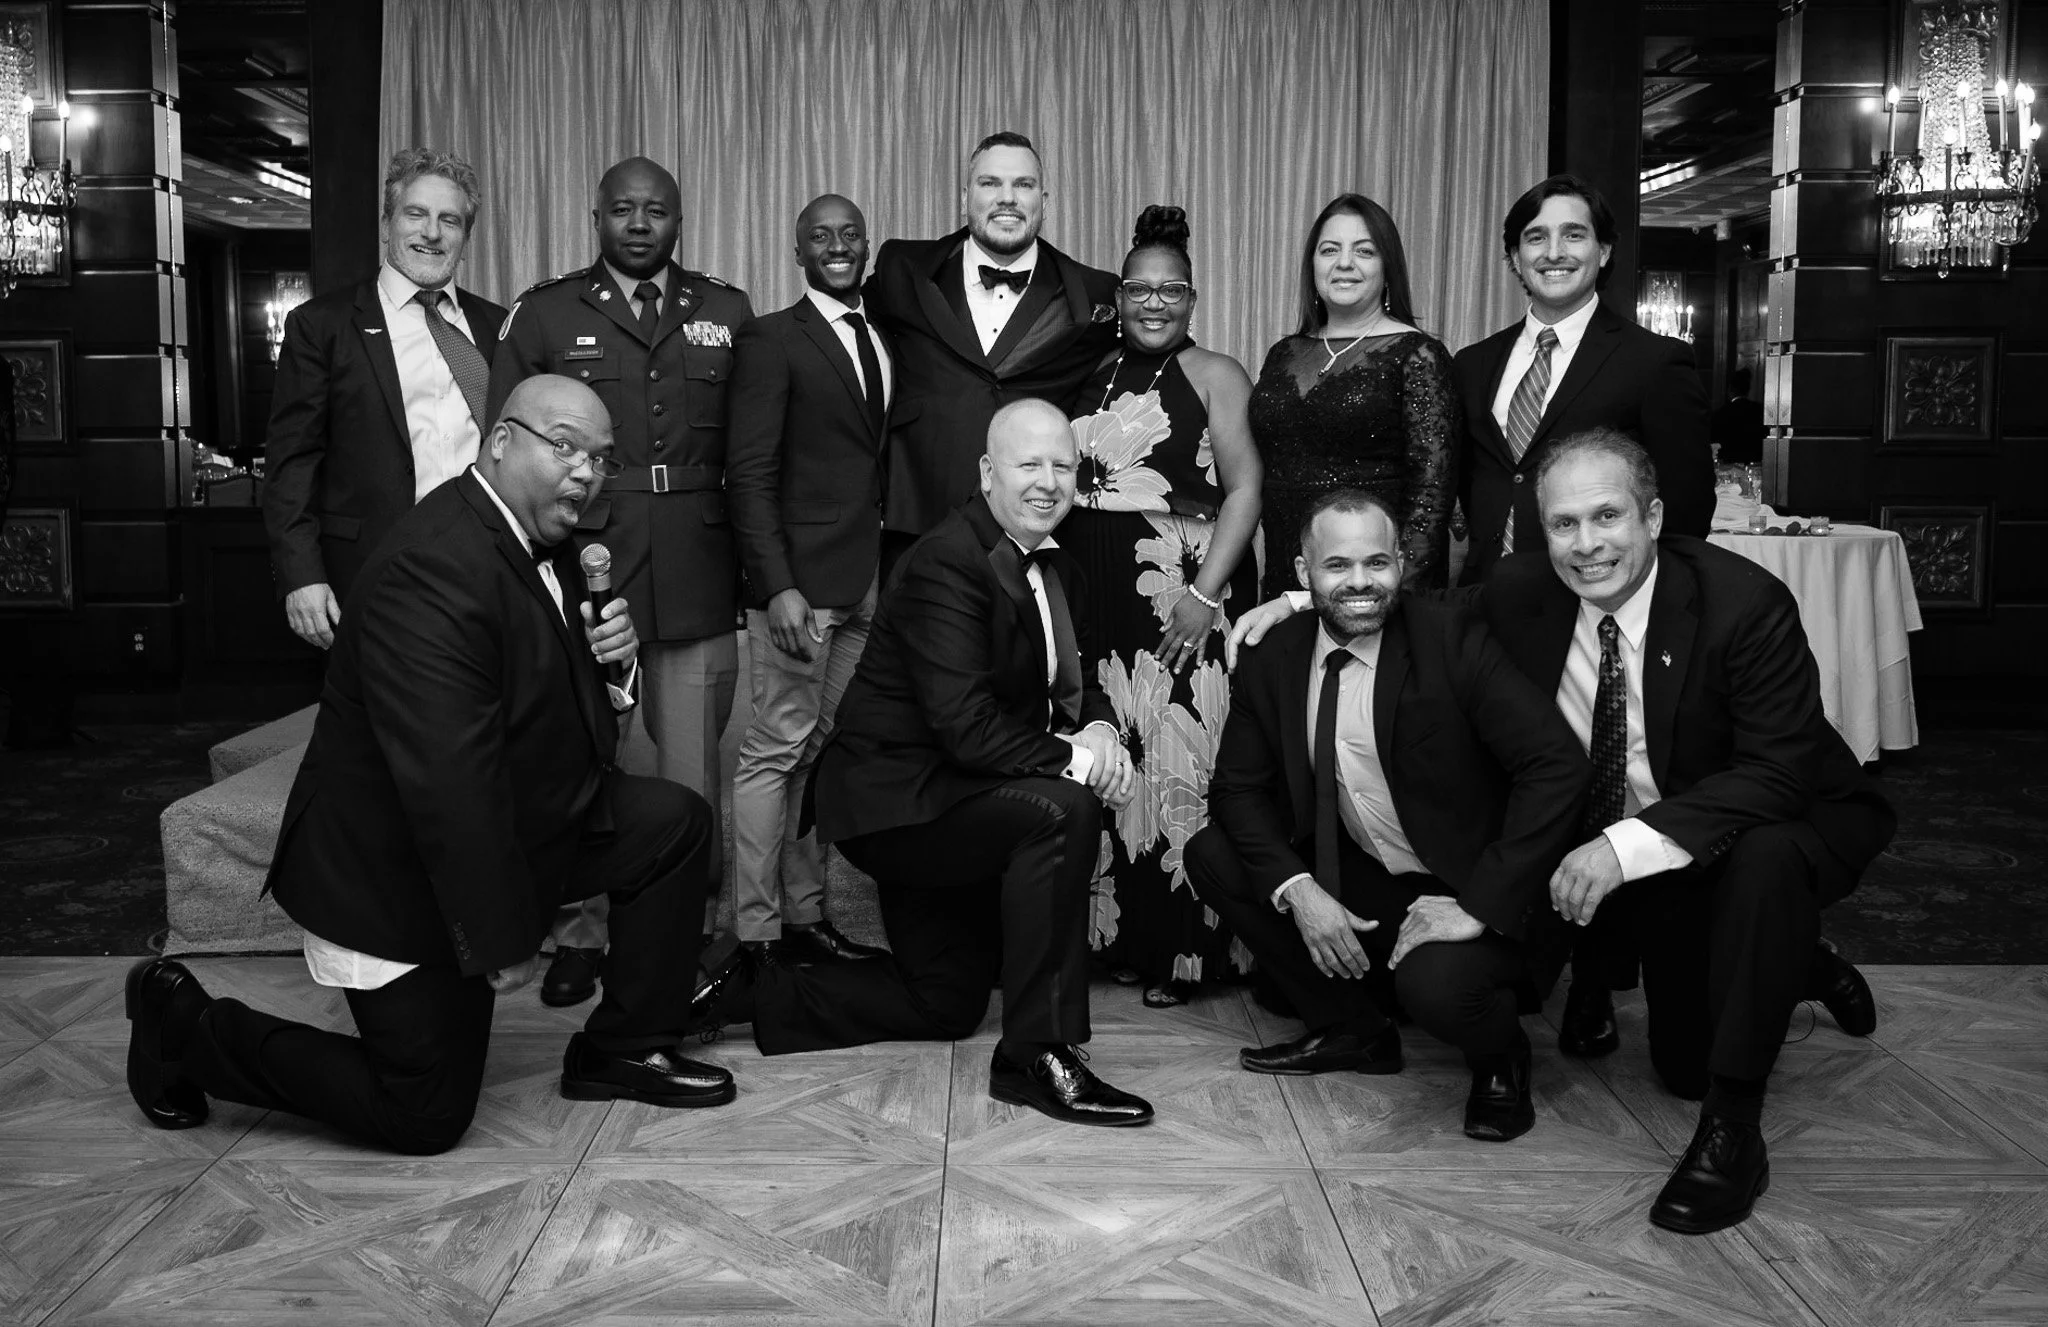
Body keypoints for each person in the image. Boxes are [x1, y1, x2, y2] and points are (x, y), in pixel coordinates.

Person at [124, 377, 735, 1154]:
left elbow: (567, 721)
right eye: (566, 446)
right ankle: (186, 1025)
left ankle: (621, 1047)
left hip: (517, 820)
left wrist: (612, 668)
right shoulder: (435, 566)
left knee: (672, 824)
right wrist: (502, 934)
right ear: (502, 440)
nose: (586, 471)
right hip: (399, 865)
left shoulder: (555, 545)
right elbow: (452, 781)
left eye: (601, 457)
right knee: (423, 1111)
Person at [690, 400, 1156, 1128]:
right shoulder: (947, 561)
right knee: (1065, 808)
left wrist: (1097, 723)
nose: (1047, 482)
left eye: (1062, 466)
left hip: (958, 793)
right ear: (986, 473)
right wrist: (1083, 762)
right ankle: (1038, 1054)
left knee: (944, 1001)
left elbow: (1073, 675)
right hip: (898, 806)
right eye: (1027, 464)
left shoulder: (1056, 564)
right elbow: (967, 730)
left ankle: (753, 986)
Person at [1489, 428, 1889, 1231]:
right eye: (1563, 523)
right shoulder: (1518, 592)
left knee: (1767, 865)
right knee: (1679, 1066)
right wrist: (1296, 601)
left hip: (1790, 818)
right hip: (1671, 850)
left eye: (1608, 516)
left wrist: (1617, 845)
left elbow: (1778, 774)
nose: (1586, 544)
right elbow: (1416, 618)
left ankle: (1734, 1131)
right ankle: (1793, 956)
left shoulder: (1743, 603)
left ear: (1654, 514)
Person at [1186, 490, 1588, 1141]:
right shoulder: (1276, 654)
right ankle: (1357, 1030)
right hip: (1376, 871)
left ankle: (1501, 1059)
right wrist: (1302, 891)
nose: (1360, 582)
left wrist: (1479, 904)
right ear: (1301, 572)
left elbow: (1557, 765)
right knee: (1215, 853)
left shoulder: (1449, 636)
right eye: (1337, 565)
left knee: (1436, 988)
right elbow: (1236, 791)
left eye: (1377, 562)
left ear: (1403, 563)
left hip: (1475, 882)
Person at [486, 157, 754, 1008]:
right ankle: (579, 931)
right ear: (595, 216)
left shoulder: (726, 310)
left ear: (681, 219)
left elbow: (751, 452)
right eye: (624, 210)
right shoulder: (547, 311)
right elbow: (505, 458)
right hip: (582, 566)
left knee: (687, 772)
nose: (641, 224)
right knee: (576, 753)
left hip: (697, 566)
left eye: (658, 211)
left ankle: (679, 923)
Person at [1060, 204, 1262, 1007]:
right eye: (1138, 289)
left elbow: (1247, 488)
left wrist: (1204, 596)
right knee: (1111, 760)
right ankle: (1117, 939)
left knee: (1179, 759)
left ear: (1192, 296)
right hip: (1095, 596)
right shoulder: (1089, 371)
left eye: (1170, 288)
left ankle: (1187, 952)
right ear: (1119, 296)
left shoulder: (1217, 373)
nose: (1154, 302)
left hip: (1179, 589)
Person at [725, 194, 893, 968]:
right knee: (774, 748)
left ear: (867, 245)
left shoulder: (880, 337)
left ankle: (805, 915)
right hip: (799, 588)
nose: (838, 245)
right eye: (820, 236)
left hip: (862, 582)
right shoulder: (770, 338)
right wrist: (776, 583)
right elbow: (750, 472)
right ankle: (755, 934)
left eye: (850, 233)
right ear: (798, 252)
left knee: (817, 749)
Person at [262, 147, 507, 649]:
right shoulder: (322, 327)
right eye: (415, 214)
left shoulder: (499, 327)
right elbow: (292, 463)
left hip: (486, 573)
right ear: (386, 223)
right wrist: (301, 575)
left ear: (466, 236)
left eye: (450, 220)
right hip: (369, 575)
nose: (432, 233)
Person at [863, 130, 1120, 568]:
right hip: (918, 531)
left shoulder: (1096, 293)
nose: (1007, 198)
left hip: (1038, 536)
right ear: (966, 195)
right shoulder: (901, 270)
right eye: (990, 183)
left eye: (1022, 185)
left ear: (1044, 199)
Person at [1455, 174, 1714, 588]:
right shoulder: (1472, 364)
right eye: (1535, 238)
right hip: (1485, 594)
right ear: (1515, 257)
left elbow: (1688, 506)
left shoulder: (1655, 362)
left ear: (1604, 250)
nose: (1554, 253)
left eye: (1573, 235)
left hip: (1599, 594)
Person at [1246, 193, 1458, 599]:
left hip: (1372, 592)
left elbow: (1430, 502)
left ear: (1388, 267)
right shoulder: (1284, 353)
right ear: (1313, 265)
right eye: (1330, 250)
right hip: (1286, 578)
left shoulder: (1418, 354)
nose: (1344, 263)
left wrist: (1382, 593)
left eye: (1364, 251)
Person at [1711, 366, 1766, 464]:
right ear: (1748, 389)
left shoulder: (1721, 414)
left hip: (1728, 467)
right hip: (1756, 466)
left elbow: (1713, 441)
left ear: (1730, 389)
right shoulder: (1761, 411)